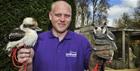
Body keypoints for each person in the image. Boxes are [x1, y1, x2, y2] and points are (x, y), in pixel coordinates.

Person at [16, 1, 92, 71]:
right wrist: (28, 63)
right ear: (50, 16)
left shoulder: (82, 42)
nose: (62, 19)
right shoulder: (36, 40)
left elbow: (95, 66)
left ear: (71, 17)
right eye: (58, 15)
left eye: (67, 16)